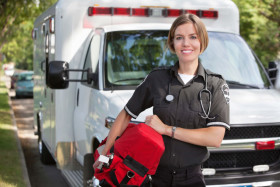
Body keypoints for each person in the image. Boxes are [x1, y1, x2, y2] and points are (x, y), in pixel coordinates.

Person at [93, 13, 230, 187]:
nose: (186, 43)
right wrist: (105, 153)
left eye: (193, 37)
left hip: (192, 178)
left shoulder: (215, 85)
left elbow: (215, 138)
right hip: (153, 177)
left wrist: (166, 129)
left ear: (202, 41)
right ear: (173, 43)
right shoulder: (157, 79)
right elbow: (126, 115)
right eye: (179, 37)